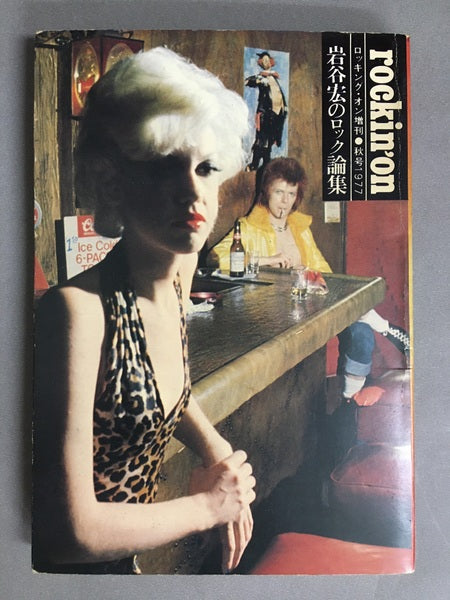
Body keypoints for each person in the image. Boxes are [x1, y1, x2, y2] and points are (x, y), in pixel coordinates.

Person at [33, 47, 256, 575]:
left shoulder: (179, 273)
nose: (193, 191)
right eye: (163, 167)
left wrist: (216, 448)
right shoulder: (76, 313)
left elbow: (160, 387)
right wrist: (209, 506)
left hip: (125, 569)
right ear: (113, 182)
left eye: (206, 168)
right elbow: (67, 534)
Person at [210, 157, 410, 406]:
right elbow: (215, 258)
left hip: (306, 303)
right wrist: (265, 260)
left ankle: (349, 399)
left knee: (361, 333)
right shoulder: (249, 227)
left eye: (291, 194)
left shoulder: (300, 228)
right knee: (362, 324)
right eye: (279, 192)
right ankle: (383, 327)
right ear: (266, 192)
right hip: (272, 312)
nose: (285, 201)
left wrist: (315, 277)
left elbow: (324, 270)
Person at [245, 51, 288, 171]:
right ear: (261, 63)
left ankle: (265, 165)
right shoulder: (262, 77)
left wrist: (284, 108)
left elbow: (278, 95)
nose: (266, 62)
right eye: (264, 61)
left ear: (271, 62)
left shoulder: (274, 78)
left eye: (267, 60)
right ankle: (254, 164)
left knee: (270, 141)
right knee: (261, 141)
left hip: (277, 114)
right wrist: (260, 79)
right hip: (266, 114)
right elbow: (248, 81)